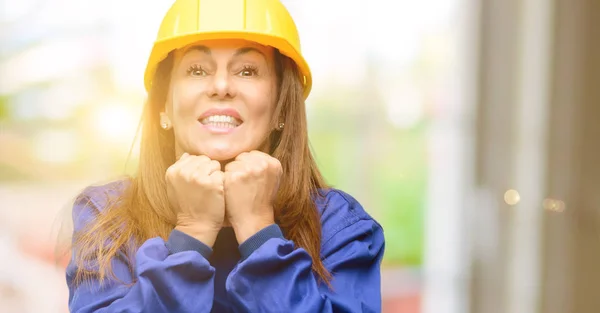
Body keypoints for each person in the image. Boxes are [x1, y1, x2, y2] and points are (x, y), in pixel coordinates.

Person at [65, 0, 385, 312]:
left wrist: (260, 232)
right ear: (164, 105)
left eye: (247, 71)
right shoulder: (107, 216)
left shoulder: (340, 226)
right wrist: (191, 234)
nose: (220, 86)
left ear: (280, 108)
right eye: (197, 70)